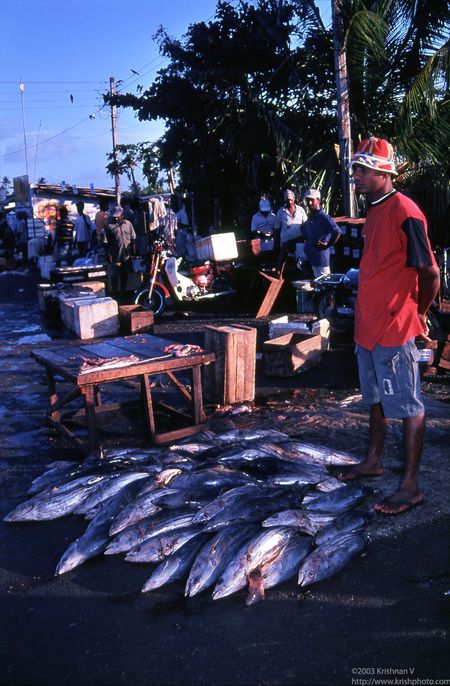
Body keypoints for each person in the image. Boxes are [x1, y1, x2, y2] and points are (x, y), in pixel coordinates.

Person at [336, 136, 440, 515]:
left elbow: (430, 272)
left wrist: (421, 311)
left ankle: (410, 487)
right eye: (355, 170)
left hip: (395, 328)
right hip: (368, 327)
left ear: (382, 173)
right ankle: (373, 461)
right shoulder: (375, 211)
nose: (356, 177)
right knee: (376, 399)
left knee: (410, 404)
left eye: (361, 170)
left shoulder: (405, 210)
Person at [302, 189, 342, 278]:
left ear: (318, 201)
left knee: (324, 284)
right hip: (312, 258)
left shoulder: (323, 216)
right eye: (308, 200)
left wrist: (327, 245)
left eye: (312, 200)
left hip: (321, 260)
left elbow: (337, 231)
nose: (309, 203)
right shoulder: (311, 217)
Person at [103, 206, 136, 293]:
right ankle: (115, 293)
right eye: (115, 217)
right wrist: (108, 254)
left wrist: (134, 252)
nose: (116, 218)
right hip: (115, 256)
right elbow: (106, 242)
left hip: (126, 256)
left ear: (122, 215)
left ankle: (123, 291)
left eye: (118, 216)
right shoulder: (109, 226)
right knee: (115, 275)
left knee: (124, 274)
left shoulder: (128, 224)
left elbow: (133, 239)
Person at [274, 189, 307, 270]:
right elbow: (277, 229)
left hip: (298, 242)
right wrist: (277, 244)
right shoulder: (281, 212)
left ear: (294, 199)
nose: (289, 202)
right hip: (285, 244)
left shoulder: (301, 210)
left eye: (290, 200)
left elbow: (306, 225)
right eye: (287, 200)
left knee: (299, 265)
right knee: (284, 266)